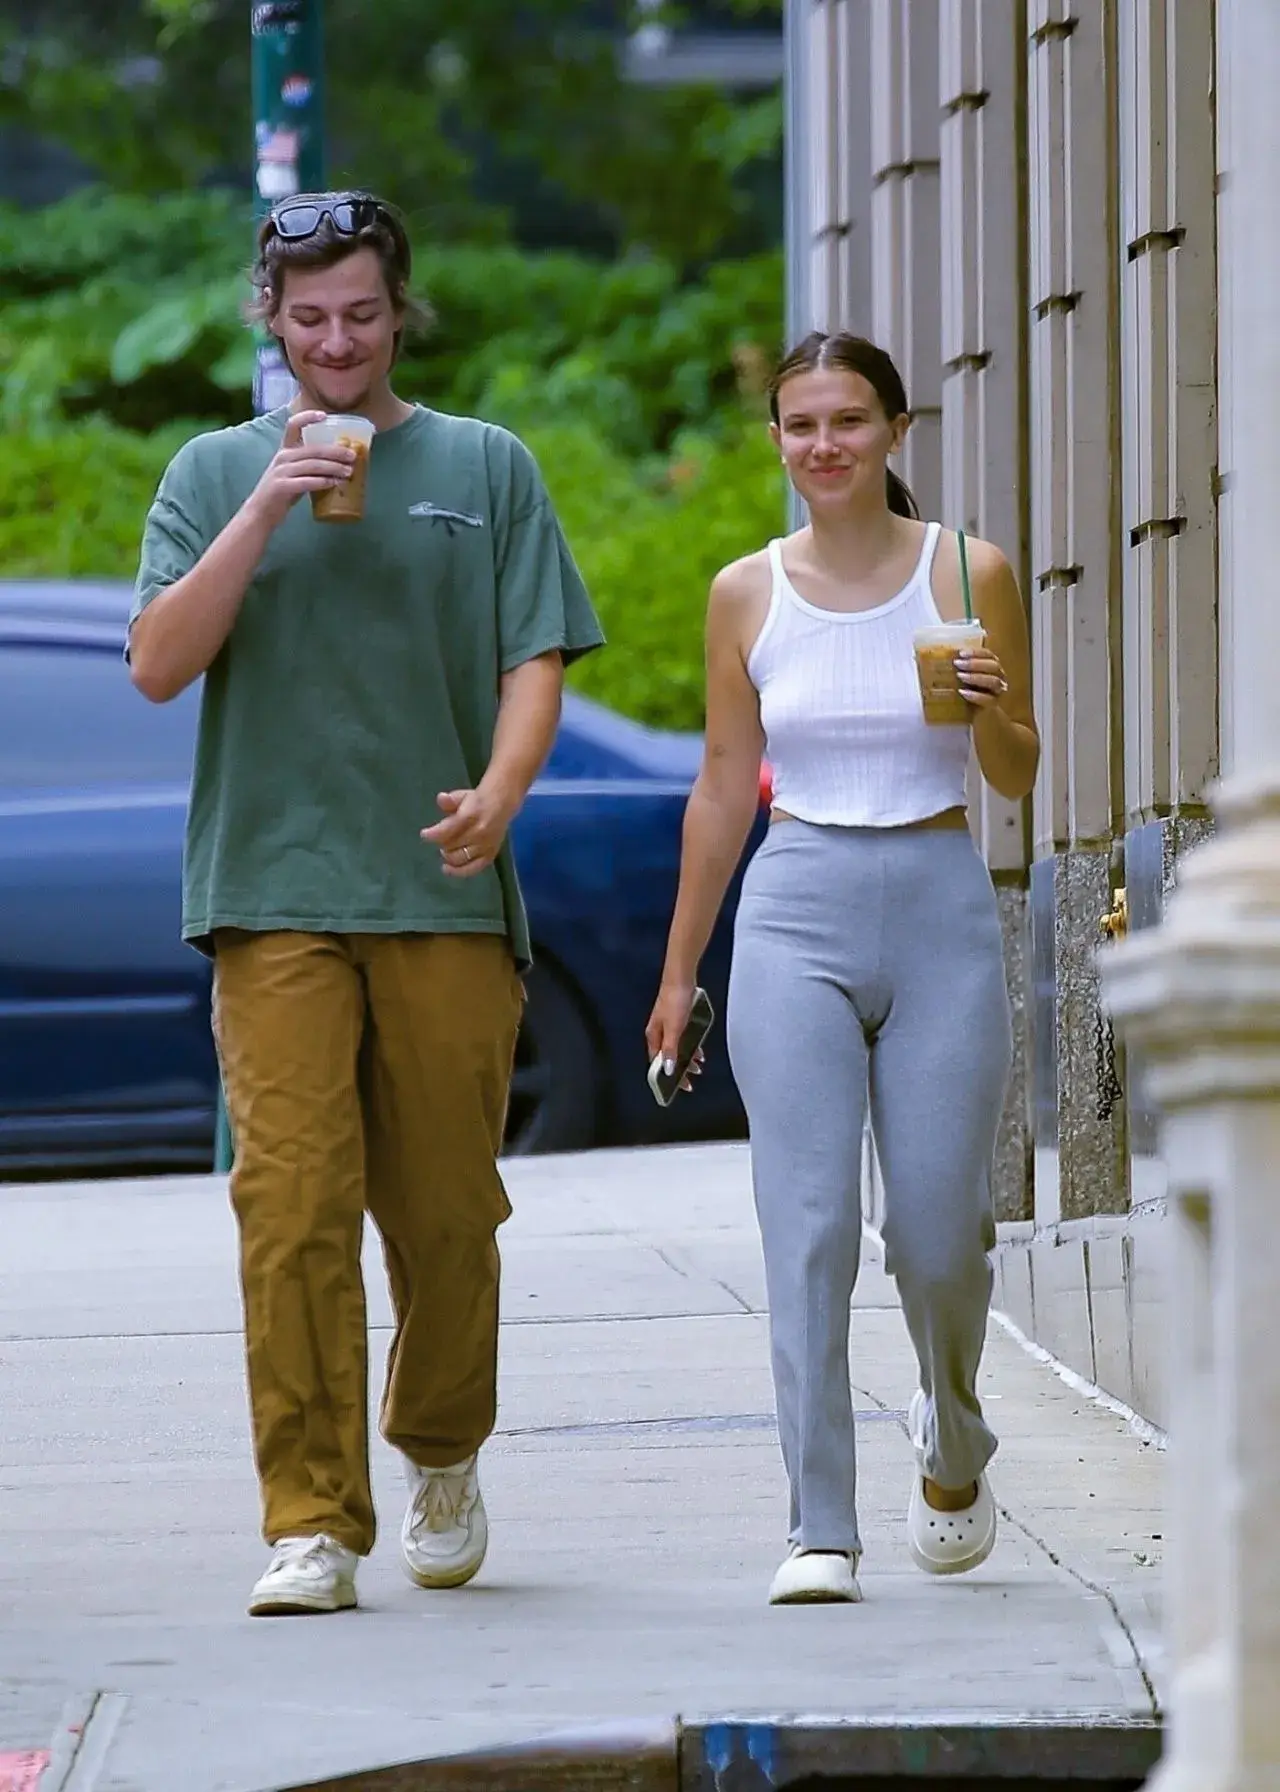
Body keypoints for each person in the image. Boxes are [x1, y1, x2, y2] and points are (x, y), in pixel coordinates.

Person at [128, 191, 604, 1616]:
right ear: (268, 320)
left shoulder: (486, 464)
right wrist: (267, 504)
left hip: (444, 891)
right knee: (290, 1208)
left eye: (363, 314)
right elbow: (158, 664)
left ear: (402, 313)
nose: (338, 343)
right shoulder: (211, 472)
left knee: (450, 1211)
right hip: (272, 895)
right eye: (310, 317)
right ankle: (313, 1520)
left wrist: (503, 790)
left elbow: (537, 655)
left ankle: (441, 1449)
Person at [646, 331, 1039, 1606]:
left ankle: (953, 1435)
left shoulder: (967, 573)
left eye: (848, 422)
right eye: (800, 424)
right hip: (794, 902)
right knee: (805, 1226)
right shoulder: (744, 591)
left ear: (893, 431)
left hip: (935, 899)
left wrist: (991, 706)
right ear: (775, 440)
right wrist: (677, 966)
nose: (824, 445)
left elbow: (1018, 776)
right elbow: (720, 786)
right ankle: (821, 1522)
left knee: (935, 1236)